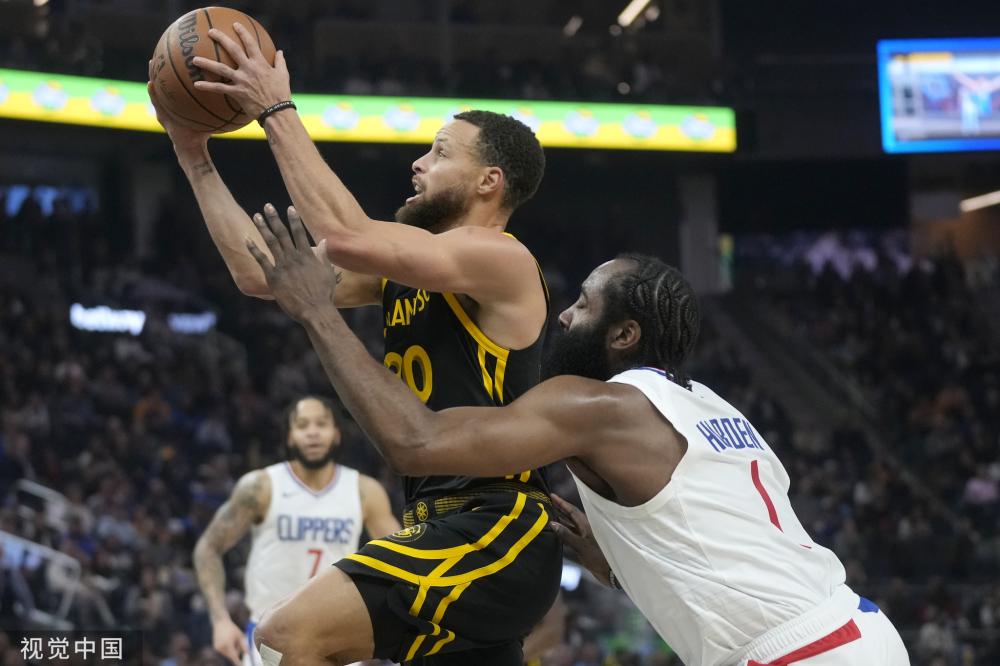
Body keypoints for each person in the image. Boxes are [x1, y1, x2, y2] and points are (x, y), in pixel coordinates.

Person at [243, 211, 910, 666]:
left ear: (623, 336)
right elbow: (731, 543)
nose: (563, 313)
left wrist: (316, 313)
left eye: (585, 304)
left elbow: (416, 444)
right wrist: (620, 561)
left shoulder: (600, 406)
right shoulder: (711, 407)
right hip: (855, 630)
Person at [148, 25, 563, 665]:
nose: (418, 163)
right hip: (438, 521)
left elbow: (345, 235)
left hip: (495, 525)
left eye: (440, 152)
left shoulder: (501, 258)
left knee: (287, 637)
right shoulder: (403, 270)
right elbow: (262, 275)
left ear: (489, 182)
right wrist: (194, 156)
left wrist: (274, 109)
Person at [193, 396, 399, 666]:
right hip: (270, 637)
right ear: (290, 437)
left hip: (338, 639)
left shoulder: (364, 491)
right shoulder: (261, 486)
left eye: (321, 424)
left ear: (336, 435)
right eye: (302, 425)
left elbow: (399, 559)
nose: (312, 432)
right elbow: (207, 548)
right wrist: (220, 620)